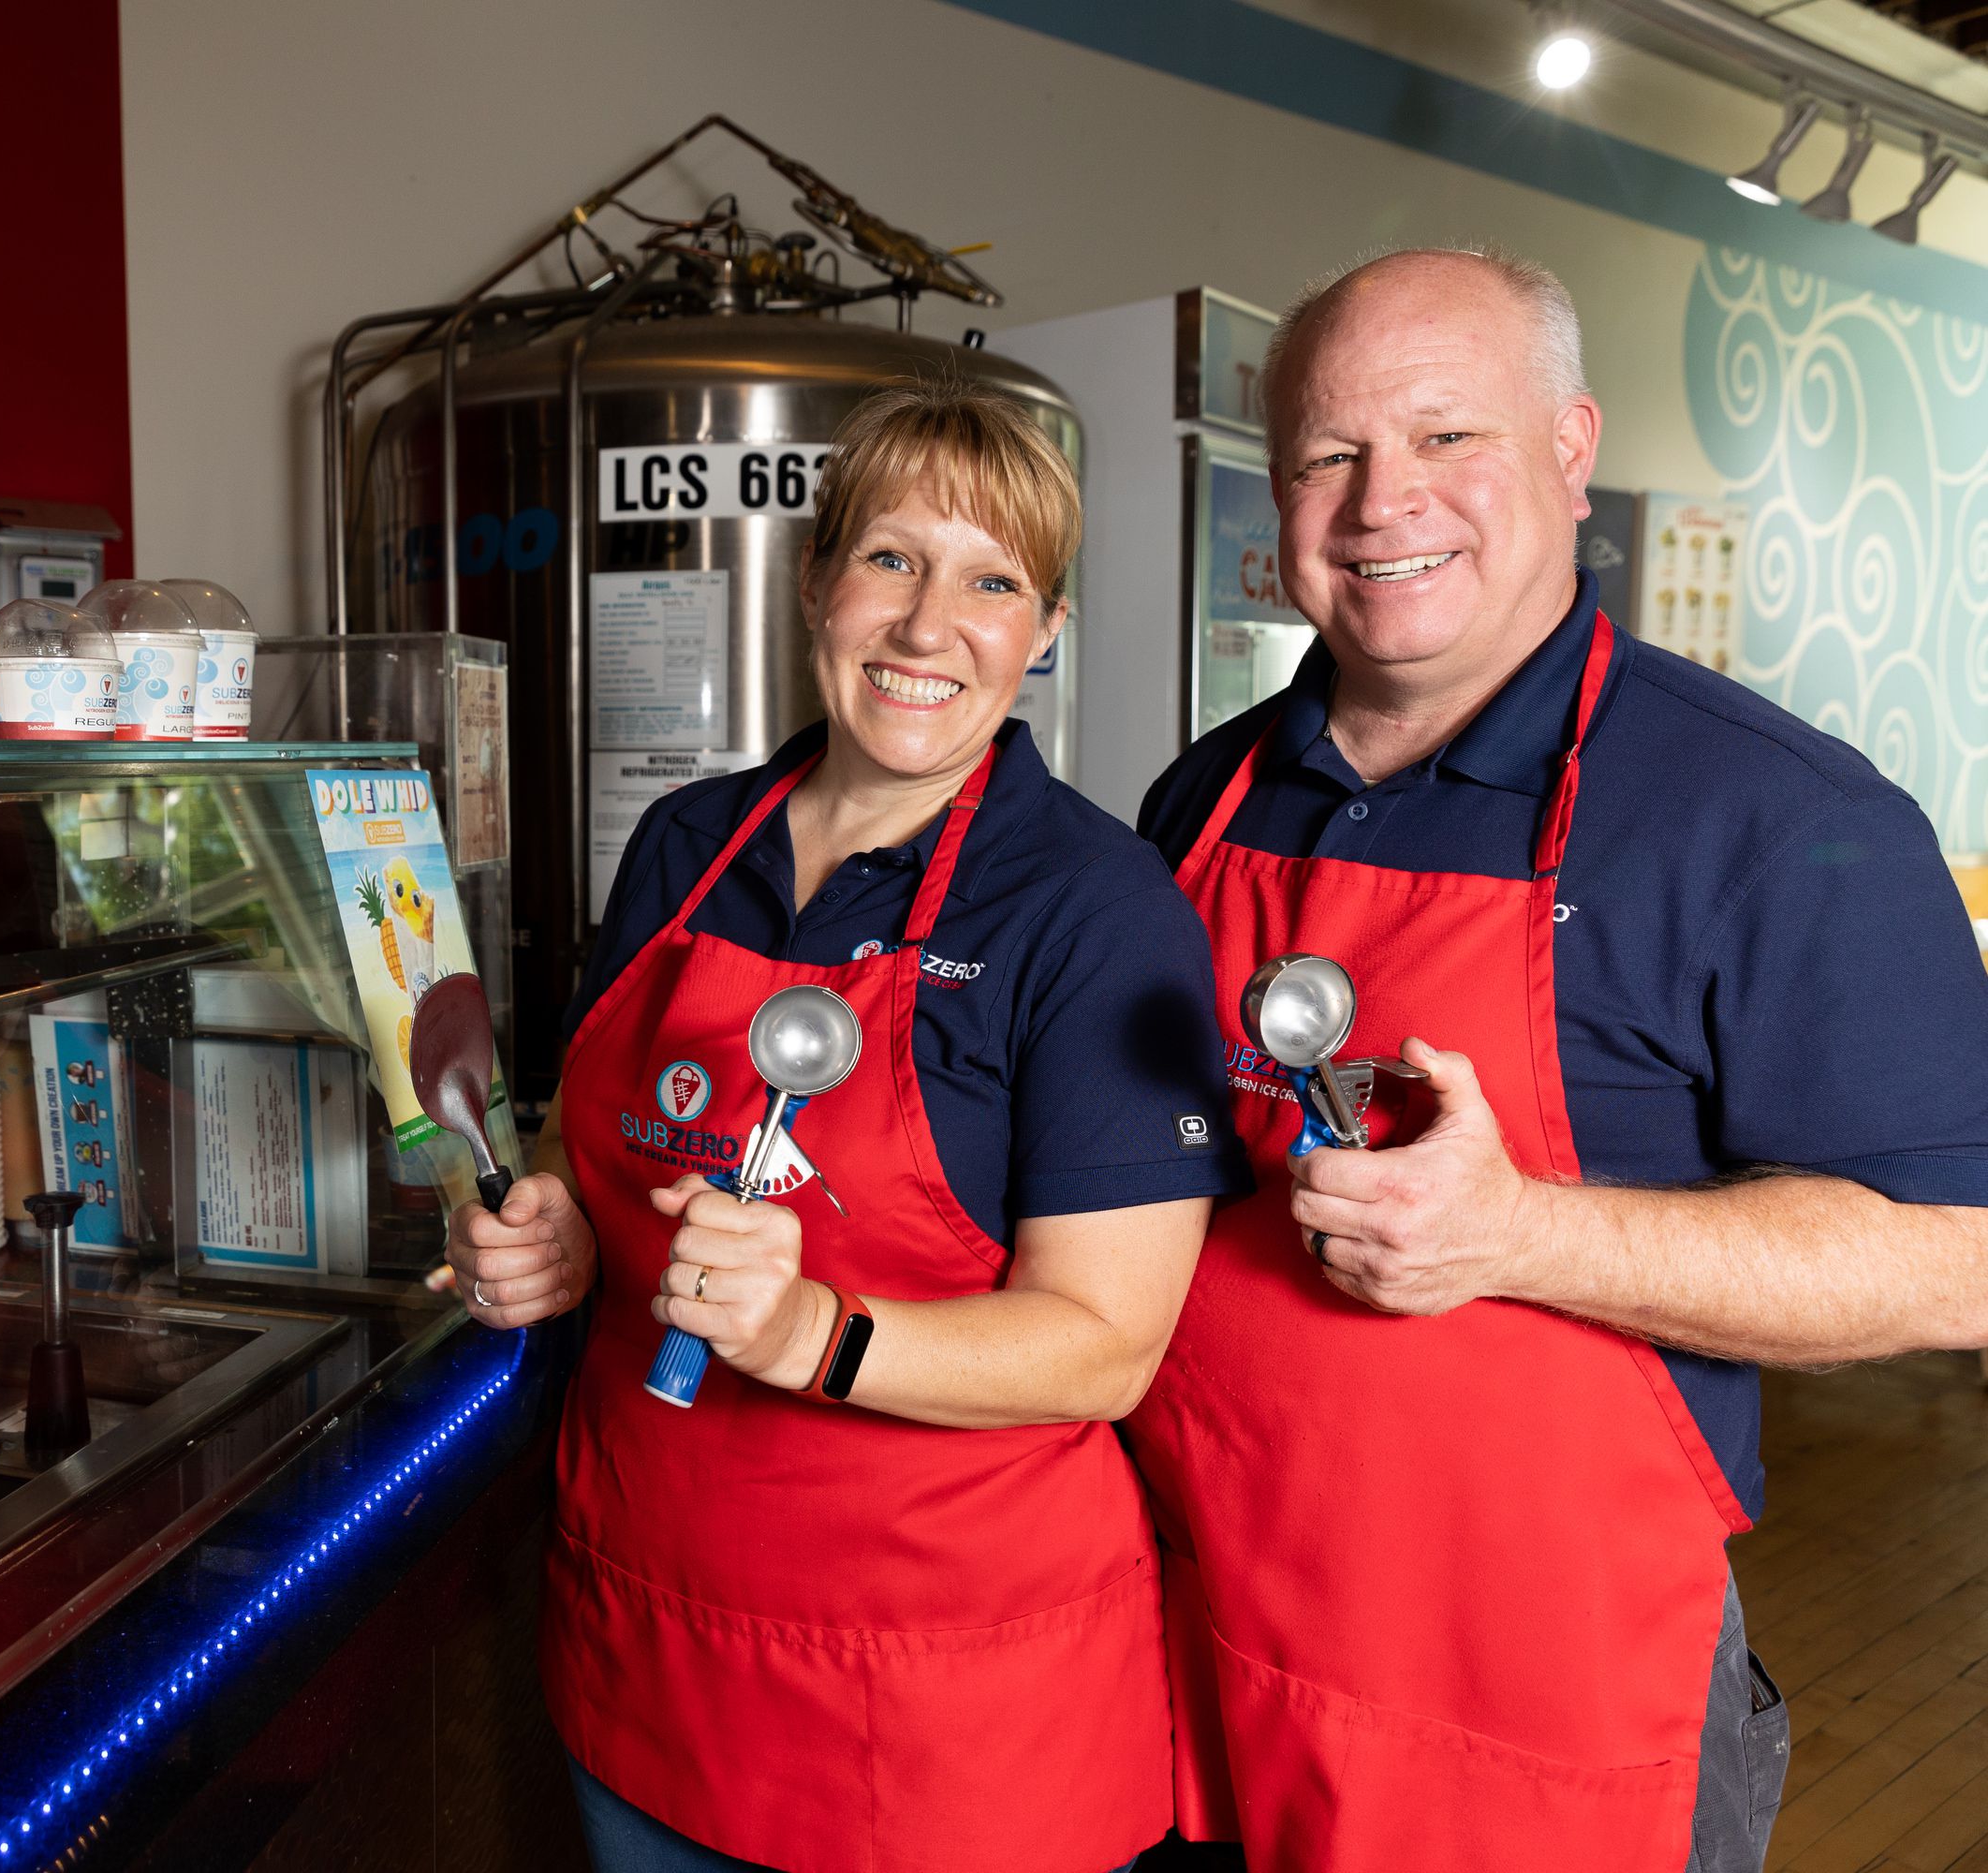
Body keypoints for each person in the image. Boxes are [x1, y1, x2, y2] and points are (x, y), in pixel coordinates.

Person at [1131, 246, 1988, 1873]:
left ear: (1572, 448)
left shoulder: (1778, 819)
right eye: (1329, 454)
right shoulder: (1209, 798)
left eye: (1449, 437)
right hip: (1210, 1667)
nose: (1386, 502)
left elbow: (1961, 1260)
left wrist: (1521, 1233)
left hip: (1544, 1720)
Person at [446, 379, 1251, 1873]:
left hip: (943, 1720)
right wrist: (545, 1217)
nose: (927, 622)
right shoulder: (690, 842)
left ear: (1046, 629)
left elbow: (1106, 1341)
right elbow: (584, 1134)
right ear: (817, 584)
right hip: (644, 1651)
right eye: (890, 558)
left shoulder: (1094, 911)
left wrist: (818, 1333)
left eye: (992, 580)